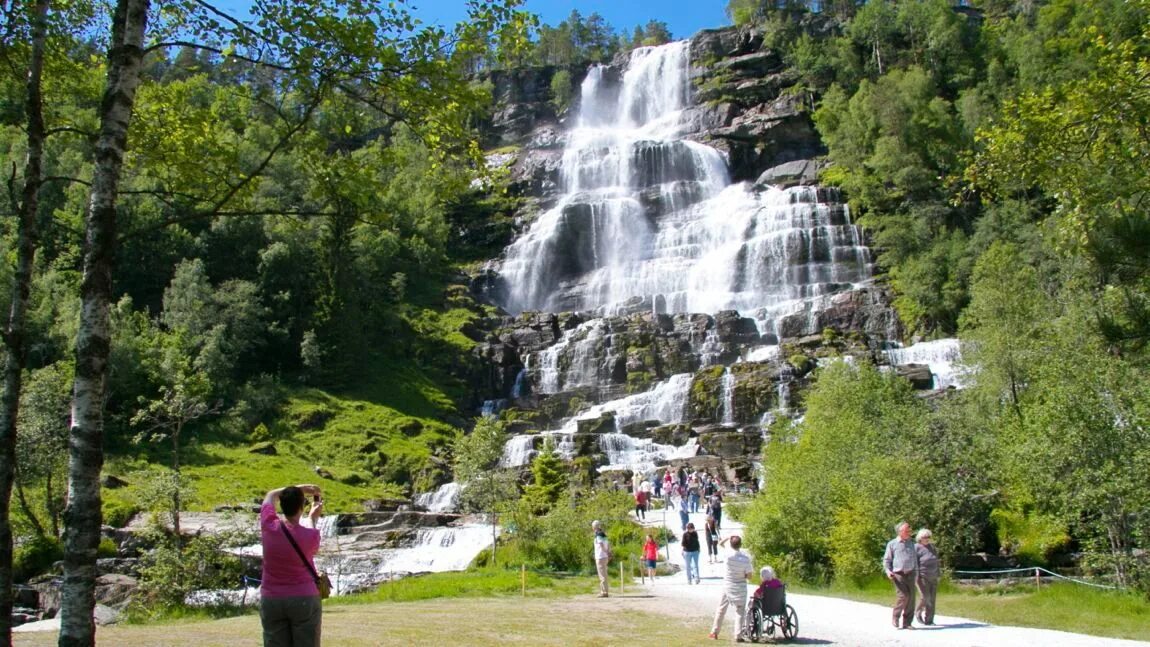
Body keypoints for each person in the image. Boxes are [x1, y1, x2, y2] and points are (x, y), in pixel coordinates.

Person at [260, 483, 324, 647]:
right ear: (302, 506)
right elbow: (310, 537)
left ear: (281, 505)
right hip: (304, 597)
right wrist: (312, 518)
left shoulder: (269, 525)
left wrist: (298, 488)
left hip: (271, 597)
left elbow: (270, 494)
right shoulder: (310, 536)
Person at [708, 535, 754, 641]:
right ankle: (738, 635)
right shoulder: (745, 559)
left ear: (731, 544)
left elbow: (719, 544)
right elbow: (750, 576)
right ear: (740, 545)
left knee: (721, 609)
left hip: (728, 585)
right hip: (741, 586)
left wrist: (728, 537)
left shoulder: (727, 555)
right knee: (740, 611)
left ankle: (714, 632)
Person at [882, 521, 919, 630]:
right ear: (900, 531)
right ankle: (896, 616)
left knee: (911, 598)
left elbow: (914, 559)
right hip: (898, 574)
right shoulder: (892, 544)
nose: (909, 532)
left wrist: (917, 573)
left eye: (909, 530)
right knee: (903, 596)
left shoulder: (911, 543)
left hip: (911, 573)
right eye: (907, 530)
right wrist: (888, 571)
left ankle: (907, 623)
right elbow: (887, 560)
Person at [915, 528, 940, 625]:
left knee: (932, 599)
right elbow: (914, 563)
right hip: (922, 576)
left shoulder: (932, 547)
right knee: (925, 597)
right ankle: (918, 611)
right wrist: (916, 576)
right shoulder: (916, 547)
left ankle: (929, 620)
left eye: (928, 537)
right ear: (920, 538)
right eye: (925, 537)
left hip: (933, 576)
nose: (927, 539)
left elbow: (936, 562)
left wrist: (938, 574)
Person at [592, 520, 612, 597]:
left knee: (602, 575)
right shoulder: (604, 534)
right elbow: (608, 544)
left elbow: (600, 544)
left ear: (594, 527)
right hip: (604, 556)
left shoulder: (598, 535)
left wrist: (605, 552)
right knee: (604, 574)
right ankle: (604, 591)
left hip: (601, 557)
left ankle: (604, 592)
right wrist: (608, 552)